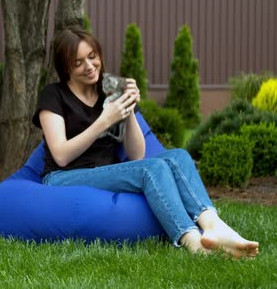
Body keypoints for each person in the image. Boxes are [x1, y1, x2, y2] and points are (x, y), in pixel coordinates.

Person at [32, 26, 259, 258]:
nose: (89, 66)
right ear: (65, 67)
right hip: (63, 177)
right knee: (152, 169)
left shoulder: (109, 90)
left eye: (92, 56)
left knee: (178, 155)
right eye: (78, 62)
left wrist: (128, 109)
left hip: (106, 171)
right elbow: (60, 155)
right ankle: (193, 243)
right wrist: (104, 120)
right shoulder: (54, 95)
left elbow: (137, 154)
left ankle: (213, 227)